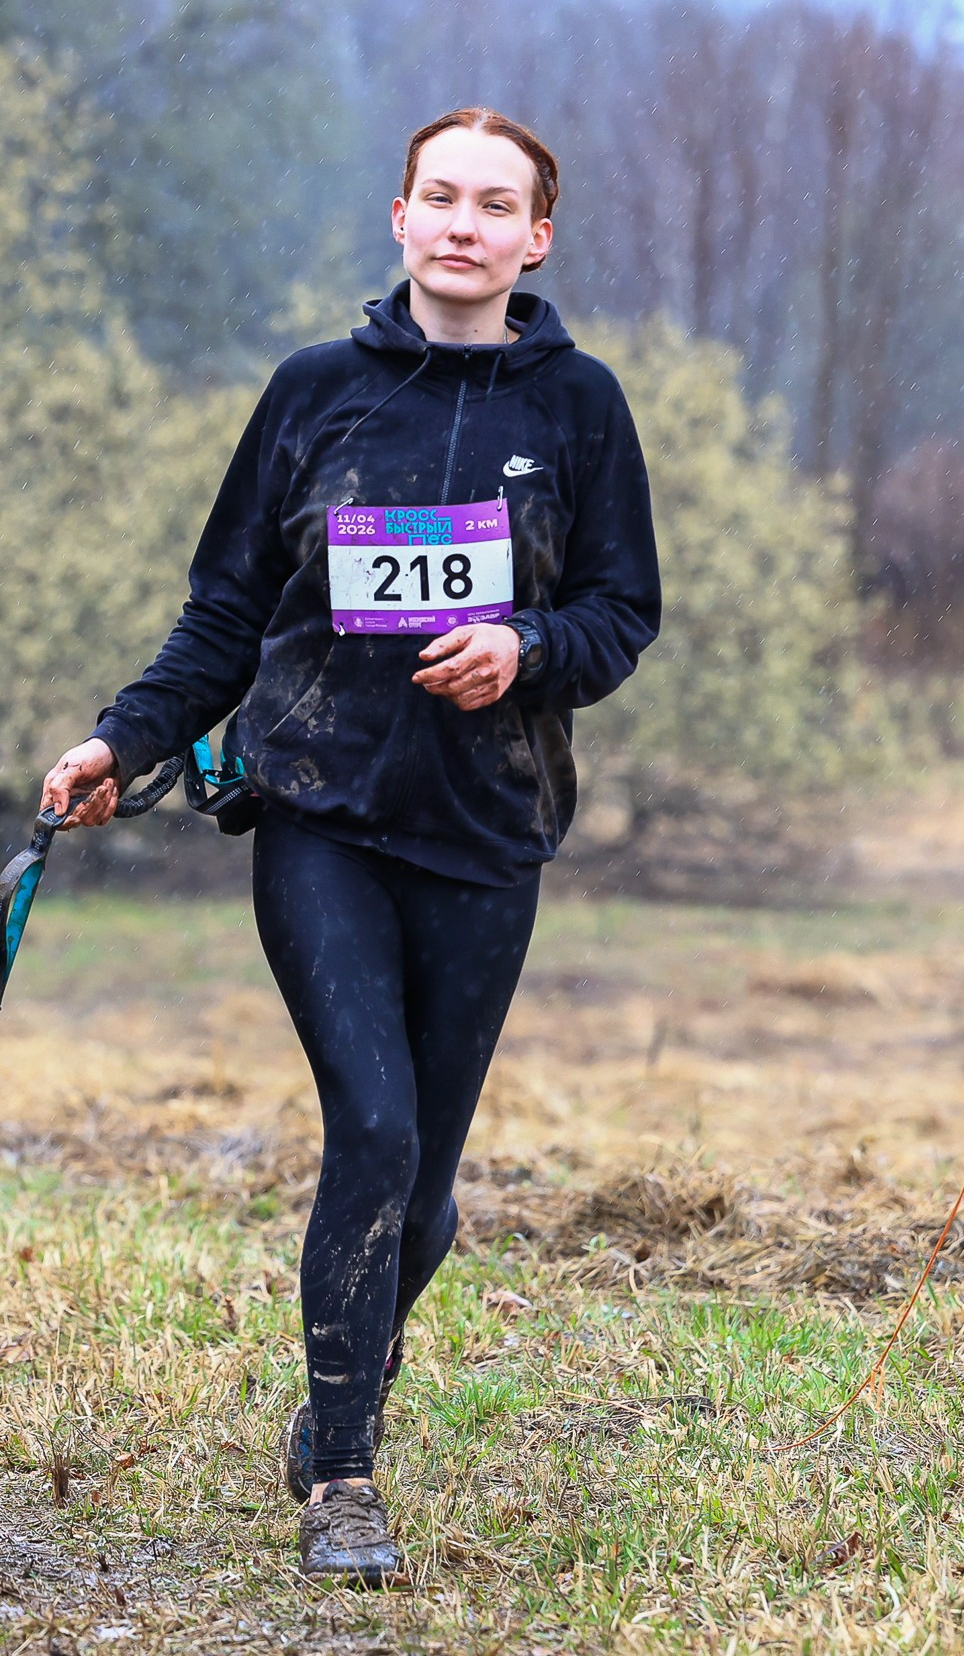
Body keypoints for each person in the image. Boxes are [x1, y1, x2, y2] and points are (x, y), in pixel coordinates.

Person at [39, 107, 660, 1585]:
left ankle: (328, 1416)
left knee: (426, 1191)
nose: (463, 223)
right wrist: (120, 741)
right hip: (318, 813)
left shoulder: (579, 409)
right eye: (438, 196)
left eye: (493, 204)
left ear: (535, 237)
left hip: (486, 832)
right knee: (369, 1132)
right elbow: (223, 613)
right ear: (398, 218)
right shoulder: (314, 391)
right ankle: (348, 1482)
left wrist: (524, 646)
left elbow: (623, 617)